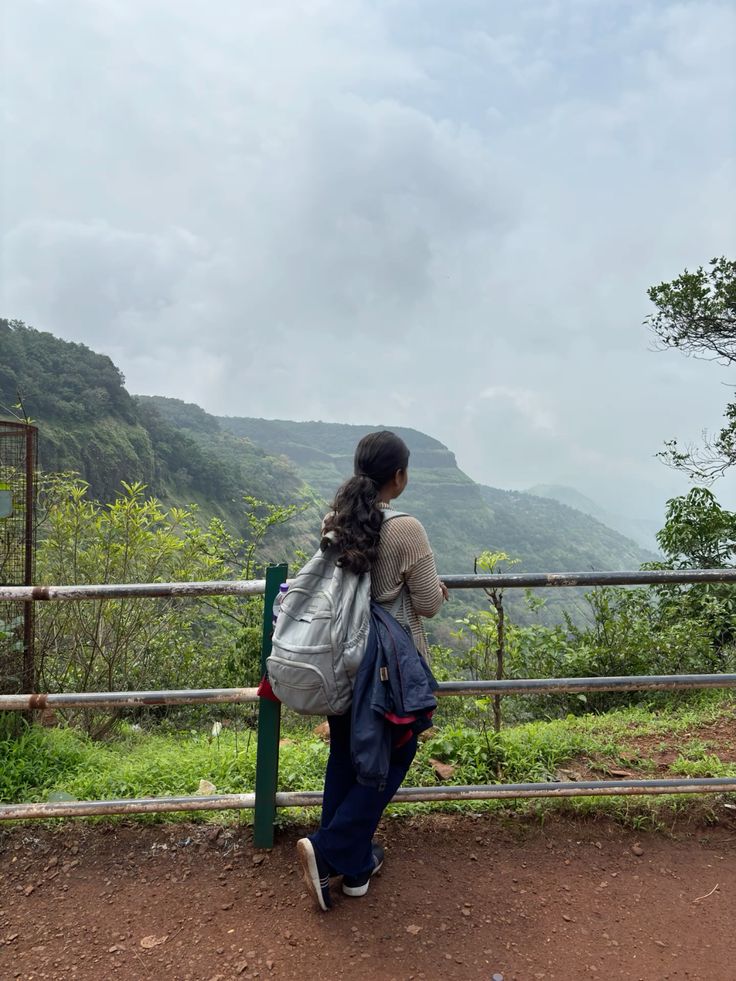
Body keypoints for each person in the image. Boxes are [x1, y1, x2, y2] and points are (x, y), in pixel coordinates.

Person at [296, 430, 448, 911]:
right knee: (390, 758)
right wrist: (436, 590)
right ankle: (328, 851)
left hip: (341, 659)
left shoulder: (335, 519)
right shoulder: (406, 529)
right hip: (387, 672)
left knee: (345, 753)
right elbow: (426, 602)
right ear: (399, 477)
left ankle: (355, 868)